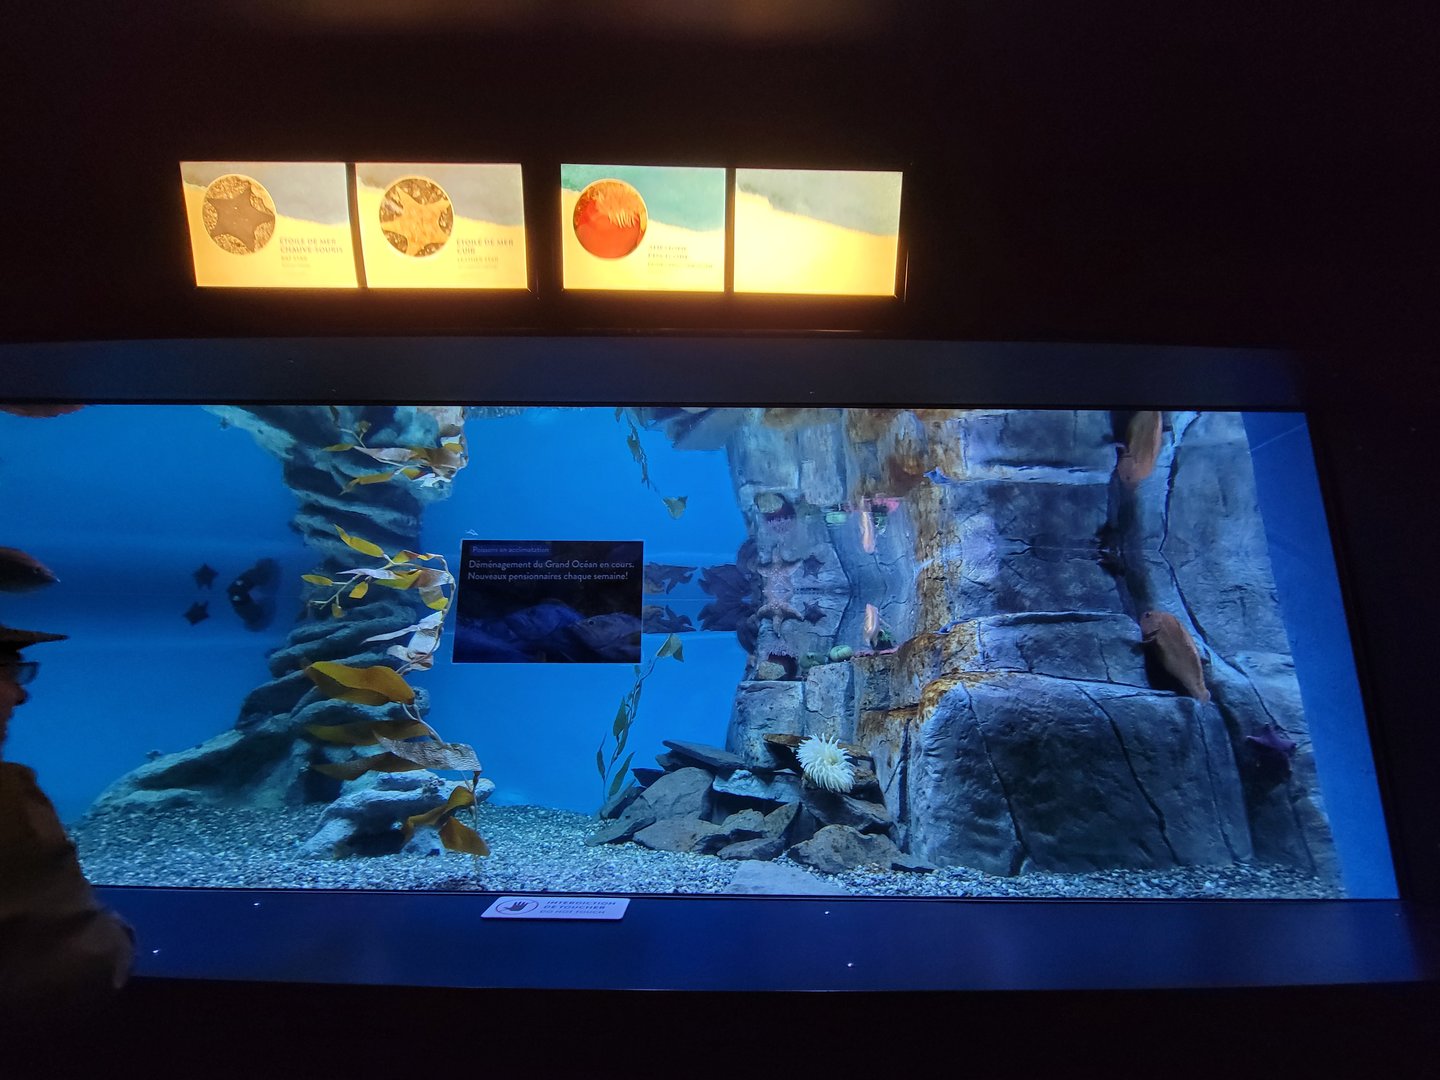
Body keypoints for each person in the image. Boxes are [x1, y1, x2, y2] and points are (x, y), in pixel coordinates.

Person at [0, 622, 135, 1011]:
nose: (20, 694)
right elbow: (82, 965)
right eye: (6, 672)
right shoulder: (9, 803)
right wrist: (118, 935)